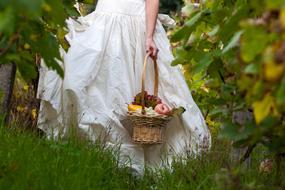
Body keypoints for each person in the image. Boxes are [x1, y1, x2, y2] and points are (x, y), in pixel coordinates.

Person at [37, 0, 211, 176]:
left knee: (130, 91)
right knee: (84, 83)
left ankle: (129, 160)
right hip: (104, 24)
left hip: (136, 25)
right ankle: (98, 152)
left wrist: (149, 36)